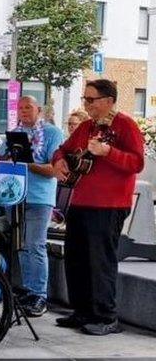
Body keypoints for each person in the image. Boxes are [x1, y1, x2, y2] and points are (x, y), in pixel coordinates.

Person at [52, 79, 144, 336]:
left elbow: (137, 163)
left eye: (91, 100)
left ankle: (106, 316)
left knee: (100, 262)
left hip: (109, 205)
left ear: (108, 100)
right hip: (81, 201)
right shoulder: (85, 127)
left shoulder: (125, 125)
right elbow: (63, 150)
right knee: (76, 259)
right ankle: (82, 311)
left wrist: (108, 152)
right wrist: (59, 162)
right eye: (85, 99)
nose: (87, 104)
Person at [0, 96, 63, 317]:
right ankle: (27, 291)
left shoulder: (52, 133)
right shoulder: (14, 133)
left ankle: (39, 294)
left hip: (39, 198)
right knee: (21, 245)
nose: (24, 111)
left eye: (28, 107)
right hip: (15, 195)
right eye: (20, 107)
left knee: (35, 245)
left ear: (38, 109)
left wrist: (27, 164)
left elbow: (54, 169)